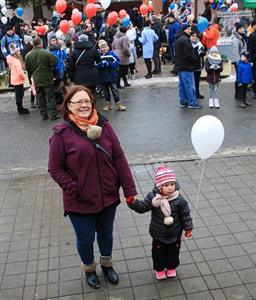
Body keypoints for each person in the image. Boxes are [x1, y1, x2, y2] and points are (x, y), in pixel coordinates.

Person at [48, 85, 137, 289]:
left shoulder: (104, 125)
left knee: (106, 234)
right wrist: (75, 188)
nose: (83, 105)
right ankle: (89, 269)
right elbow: (55, 169)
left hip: (108, 196)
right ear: (68, 106)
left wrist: (129, 189)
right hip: (79, 201)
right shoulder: (61, 134)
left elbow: (119, 157)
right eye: (78, 101)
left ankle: (107, 265)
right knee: (86, 239)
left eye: (87, 100)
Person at [126, 166, 193, 280]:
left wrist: (188, 228)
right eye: (166, 185)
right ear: (159, 186)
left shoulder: (179, 199)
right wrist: (133, 203)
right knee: (158, 253)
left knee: (174, 252)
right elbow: (143, 207)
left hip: (175, 233)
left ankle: (171, 267)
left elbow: (185, 215)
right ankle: (159, 269)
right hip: (158, 233)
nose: (170, 188)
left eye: (172, 184)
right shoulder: (153, 198)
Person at [25, 36, 60, 121]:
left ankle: (43, 115)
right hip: (47, 77)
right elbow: (55, 61)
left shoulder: (28, 55)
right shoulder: (46, 53)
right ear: (41, 43)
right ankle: (53, 114)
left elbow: (27, 68)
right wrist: (50, 68)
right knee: (50, 97)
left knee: (40, 97)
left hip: (36, 78)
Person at [175, 23, 201, 109]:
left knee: (182, 85)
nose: (190, 31)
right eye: (189, 29)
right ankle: (192, 102)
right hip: (187, 66)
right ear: (185, 29)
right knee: (189, 85)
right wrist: (194, 60)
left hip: (180, 65)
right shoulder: (185, 40)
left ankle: (183, 101)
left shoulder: (179, 38)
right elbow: (189, 54)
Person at [97, 39, 126, 111]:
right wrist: (101, 65)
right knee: (106, 92)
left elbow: (117, 62)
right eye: (103, 47)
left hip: (112, 76)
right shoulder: (98, 55)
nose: (105, 48)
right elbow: (95, 64)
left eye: (105, 46)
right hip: (102, 77)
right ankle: (108, 105)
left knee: (115, 90)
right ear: (100, 48)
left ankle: (118, 105)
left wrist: (109, 64)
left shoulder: (111, 54)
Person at [7, 43, 30, 115]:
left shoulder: (11, 60)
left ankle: (20, 107)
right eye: (18, 51)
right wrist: (24, 77)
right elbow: (20, 72)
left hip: (14, 79)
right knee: (20, 94)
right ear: (15, 53)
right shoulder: (17, 61)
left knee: (18, 94)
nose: (20, 52)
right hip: (19, 80)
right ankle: (20, 108)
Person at [231, 23, 247, 100]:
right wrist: (238, 62)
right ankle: (237, 94)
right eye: (240, 28)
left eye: (242, 28)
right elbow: (235, 52)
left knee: (242, 77)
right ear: (237, 30)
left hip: (243, 60)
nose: (242, 29)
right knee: (239, 78)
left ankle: (241, 94)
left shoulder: (242, 37)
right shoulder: (235, 39)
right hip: (239, 61)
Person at [190, 31, 206, 99]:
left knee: (197, 81)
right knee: (191, 81)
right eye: (193, 35)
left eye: (195, 35)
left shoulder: (199, 43)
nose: (194, 37)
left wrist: (203, 52)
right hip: (191, 65)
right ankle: (191, 94)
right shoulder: (188, 43)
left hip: (198, 64)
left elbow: (202, 53)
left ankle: (197, 93)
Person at [248, 20, 256, 99]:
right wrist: (250, 60)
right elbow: (249, 48)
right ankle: (255, 92)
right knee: (255, 76)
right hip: (254, 58)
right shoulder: (252, 35)